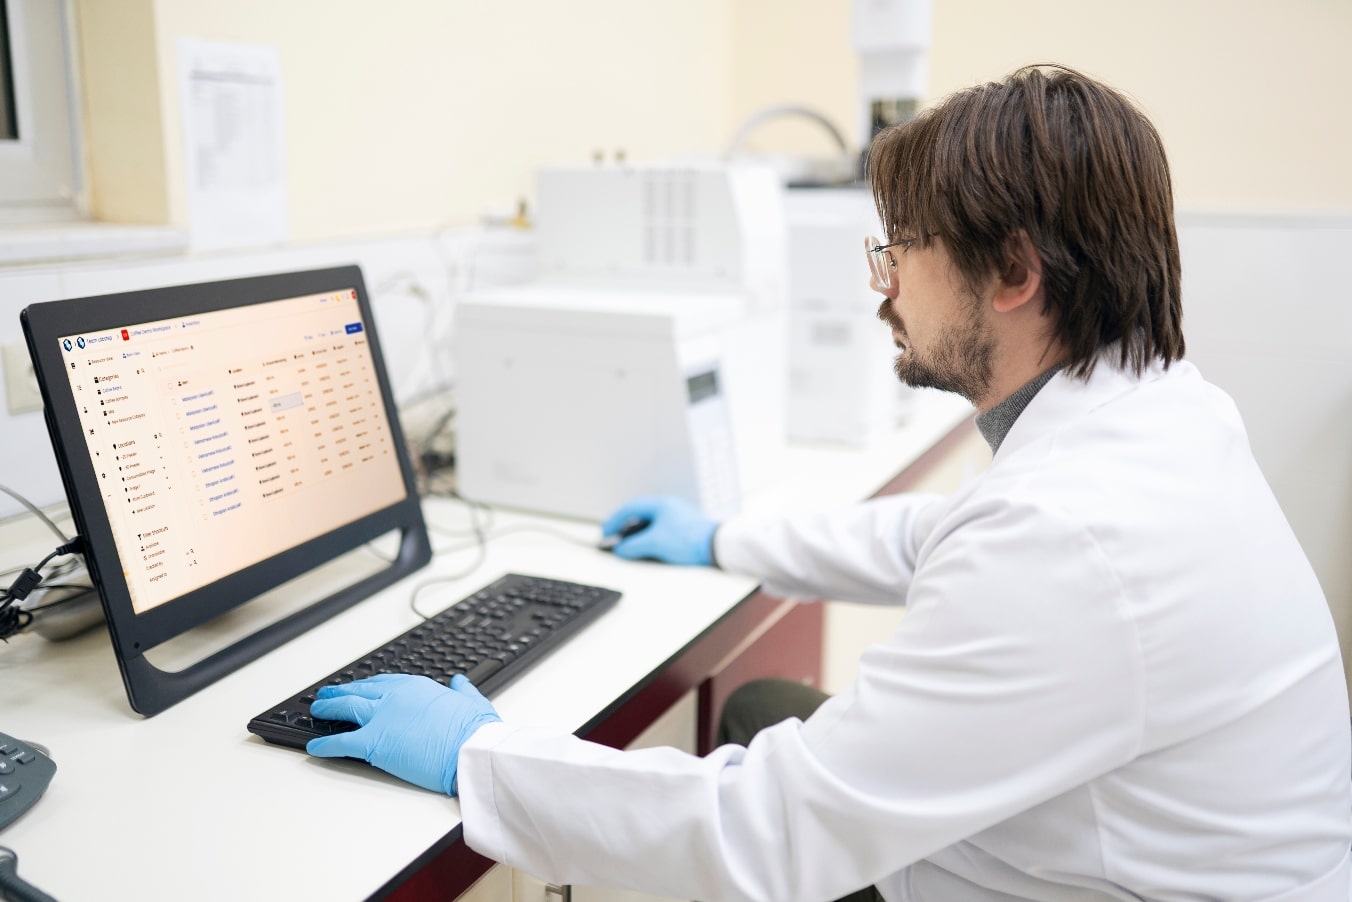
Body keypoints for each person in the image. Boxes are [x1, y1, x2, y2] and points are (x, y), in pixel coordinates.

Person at [307, 64, 1352, 900]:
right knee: (763, 703)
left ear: (1013, 273)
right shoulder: (1153, 414)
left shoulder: (1072, 535)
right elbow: (935, 538)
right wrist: (722, 535)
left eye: (900, 246)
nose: (879, 281)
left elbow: (766, 833)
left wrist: (482, 756)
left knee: (758, 767)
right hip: (1107, 852)